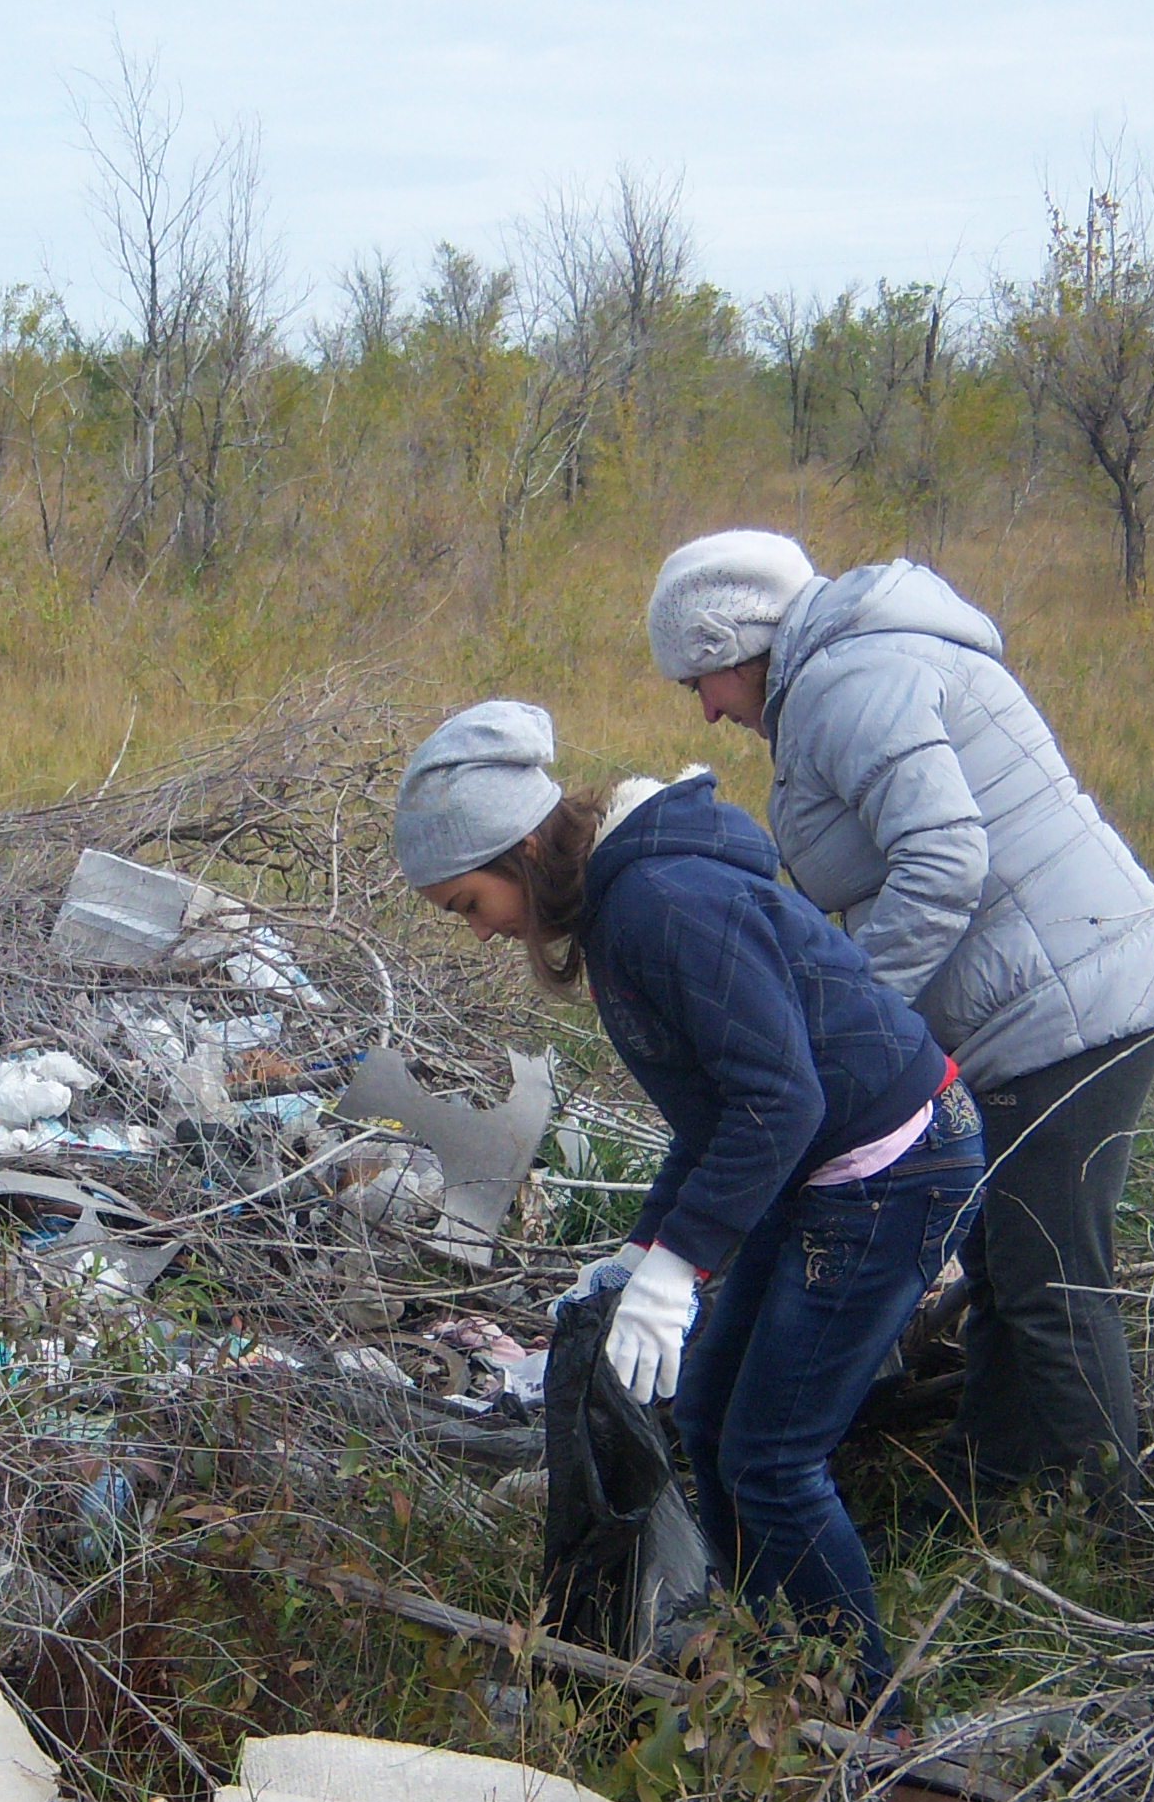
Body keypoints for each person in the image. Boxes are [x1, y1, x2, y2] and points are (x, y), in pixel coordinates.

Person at [392, 698, 985, 1712]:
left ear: (523, 848)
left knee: (773, 1457)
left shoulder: (661, 903)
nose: (482, 928)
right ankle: (766, 1667)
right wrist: (643, 1250)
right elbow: (718, 1114)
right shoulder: (626, 908)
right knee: (707, 1417)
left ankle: (869, 1723)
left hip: (891, 1170)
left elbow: (779, 1101)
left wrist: (680, 1265)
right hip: (816, 1168)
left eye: (468, 901)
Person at [645, 530, 1154, 1515]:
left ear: (741, 648)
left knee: (1050, 1285)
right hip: (1057, 990)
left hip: (1069, 1009)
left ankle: (1121, 1547)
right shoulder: (854, 669)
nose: (708, 708)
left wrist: (857, 1025)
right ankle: (991, 1494)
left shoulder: (846, 686)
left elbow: (947, 863)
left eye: (704, 679)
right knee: (1005, 1262)